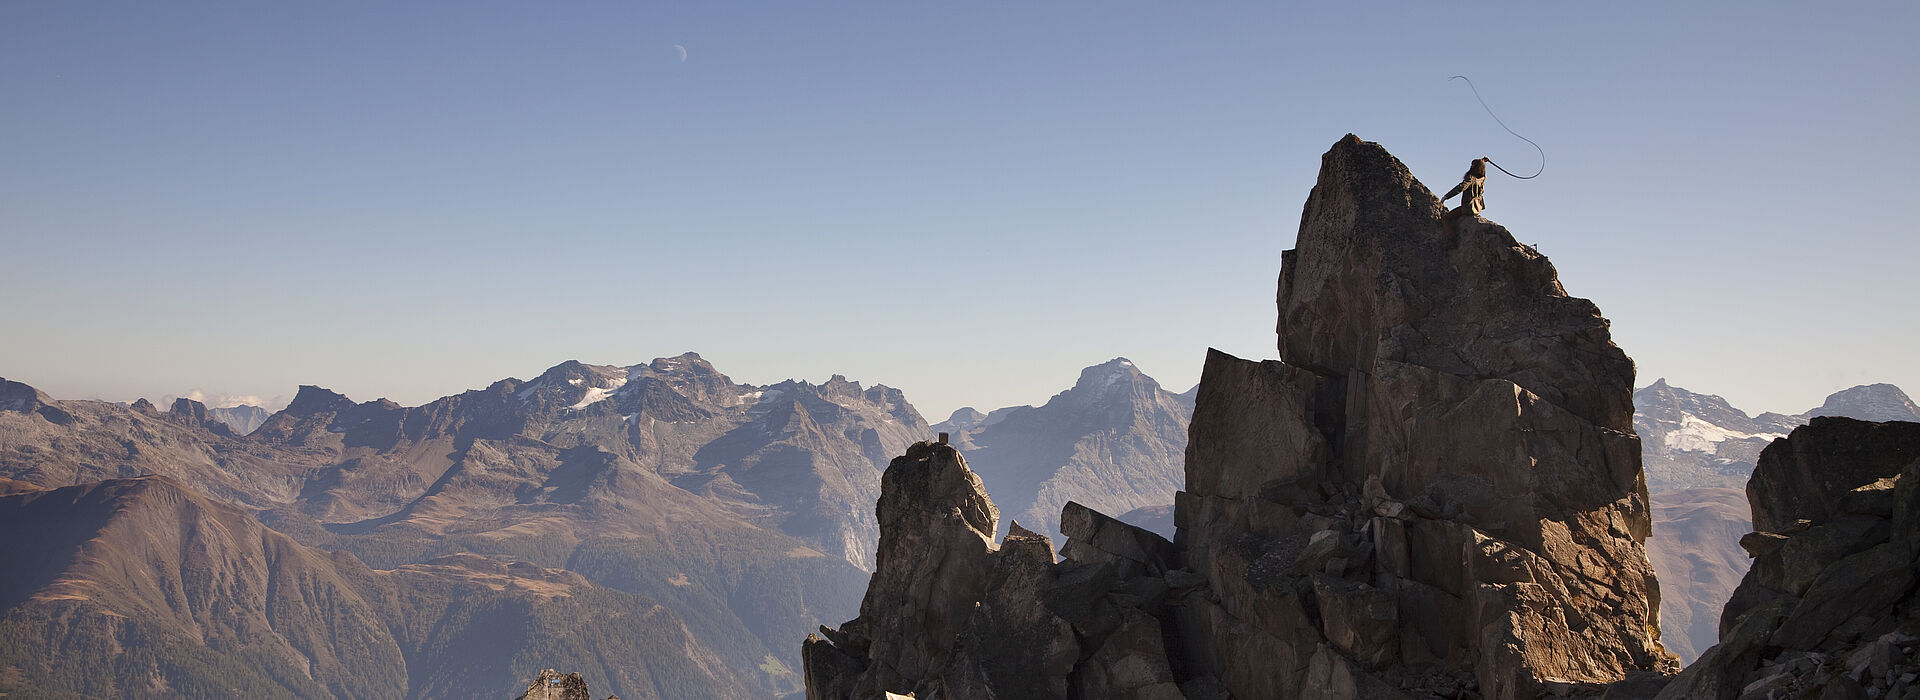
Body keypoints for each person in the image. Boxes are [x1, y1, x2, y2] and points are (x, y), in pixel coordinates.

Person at [1442, 157, 1489, 231]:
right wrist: (1483, 161)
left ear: (1475, 167)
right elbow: (1483, 172)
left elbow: (1460, 188)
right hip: (1478, 207)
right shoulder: (1482, 180)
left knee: (1446, 218)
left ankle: (1450, 238)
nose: (1471, 166)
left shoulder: (1471, 178)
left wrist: (1446, 197)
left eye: (1472, 165)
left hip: (1469, 208)